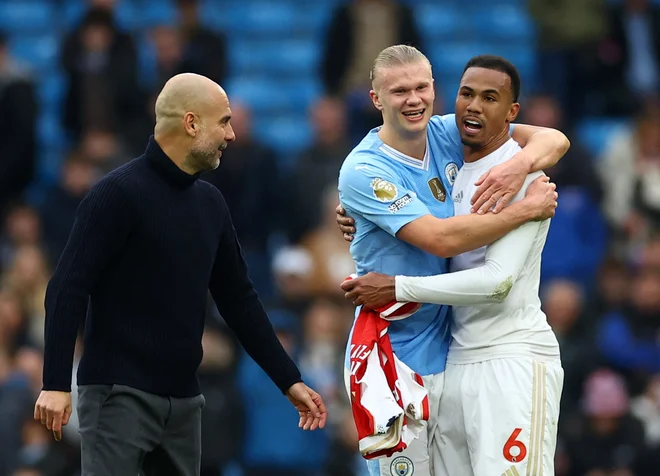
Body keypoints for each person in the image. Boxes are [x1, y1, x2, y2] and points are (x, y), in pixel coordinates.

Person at [33, 73, 327, 476]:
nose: (232, 135)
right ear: (191, 124)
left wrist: (288, 379)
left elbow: (239, 299)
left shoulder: (211, 204)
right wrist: (54, 382)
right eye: (224, 122)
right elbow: (66, 287)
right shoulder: (117, 194)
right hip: (118, 398)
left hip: (186, 403)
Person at [336, 45, 567, 476]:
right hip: (395, 358)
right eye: (399, 90)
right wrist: (524, 209)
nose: (413, 99)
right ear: (376, 99)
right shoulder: (364, 169)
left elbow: (554, 138)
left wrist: (521, 168)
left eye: (422, 87)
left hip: (462, 354)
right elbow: (441, 240)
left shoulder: (448, 135)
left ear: (434, 90)